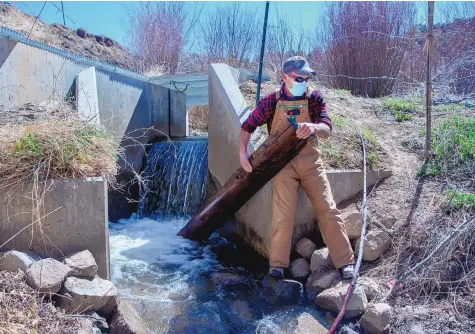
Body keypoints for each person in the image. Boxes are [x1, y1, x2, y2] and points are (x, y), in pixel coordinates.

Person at [239, 56, 355, 280]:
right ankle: (277, 266)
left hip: (311, 162)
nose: (304, 80)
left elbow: (327, 128)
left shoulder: (314, 98)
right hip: (283, 165)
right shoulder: (271, 101)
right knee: (283, 215)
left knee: (327, 208)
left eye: (307, 77)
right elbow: (248, 126)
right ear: (285, 77)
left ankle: (345, 261)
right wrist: (242, 151)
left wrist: (313, 127)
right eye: (298, 77)